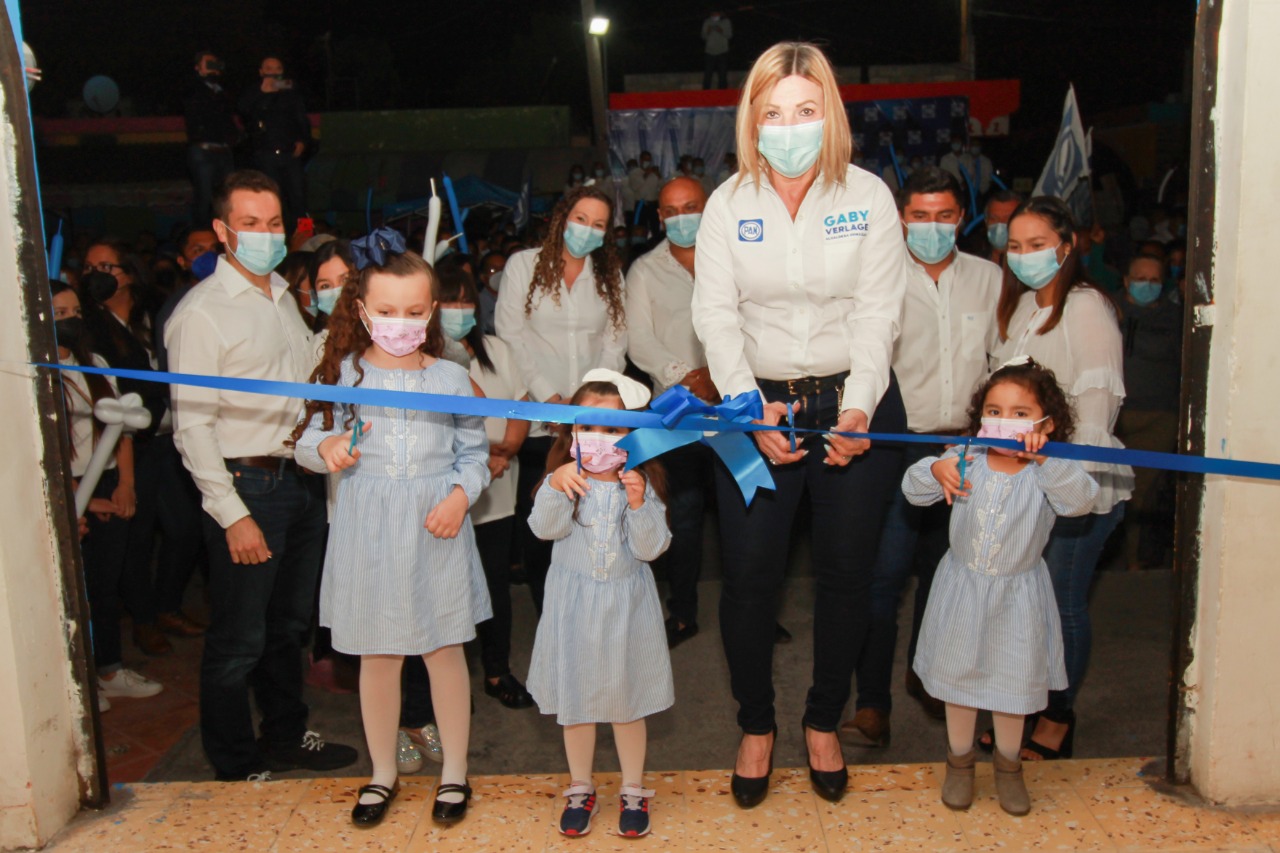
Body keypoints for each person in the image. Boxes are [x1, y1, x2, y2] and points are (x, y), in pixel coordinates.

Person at [691, 41, 909, 807]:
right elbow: (716, 319)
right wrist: (748, 408)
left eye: (806, 111)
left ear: (830, 115)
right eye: (773, 112)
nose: (790, 127)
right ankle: (757, 725)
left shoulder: (871, 197)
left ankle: (822, 719)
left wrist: (858, 407)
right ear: (752, 118)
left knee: (849, 576)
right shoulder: (726, 205)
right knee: (750, 581)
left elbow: (880, 313)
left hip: (856, 403)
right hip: (757, 408)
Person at [166, 170, 357, 781]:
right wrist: (232, 514)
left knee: (288, 630)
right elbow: (191, 426)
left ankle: (284, 734)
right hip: (248, 487)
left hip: (299, 481)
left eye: (274, 224)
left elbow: (304, 379)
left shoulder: (283, 296)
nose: (265, 235)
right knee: (238, 640)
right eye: (250, 224)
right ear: (223, 231)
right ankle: (234, 760)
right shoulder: (203, 314)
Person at [292, 244, 489, 828]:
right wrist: (324, 448)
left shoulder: (453, 377)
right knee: (378, 656)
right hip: (367, 528)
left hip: (436, 525)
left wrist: (459, 496)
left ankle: (454, 770)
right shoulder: (343, 373)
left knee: (443, 649)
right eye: (387, 310)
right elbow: (306, 439)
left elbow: (473, 453)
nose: (400, 323)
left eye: (413, 311)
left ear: (429, 311)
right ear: (362, 308)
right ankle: (383, 772)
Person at [843, 166, 1002, 748]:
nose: (931, 227)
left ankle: (927, 675)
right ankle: (871, 703)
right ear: (900, 219)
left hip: (966, 447)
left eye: (944, 216)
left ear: (963, 218)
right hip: (895, 446)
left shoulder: (990, 280)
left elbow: (1001, 362)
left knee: (946, 574)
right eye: (919, 216)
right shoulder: (876, 279)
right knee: (882, 577)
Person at [908, 358, 1098, 816]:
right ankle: (959, 761)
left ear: (1045, 423)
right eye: (993, 410)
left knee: (1012, 687)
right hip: (962, 592)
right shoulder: (966, 460)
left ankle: (1009, 766)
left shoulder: (1046, 471)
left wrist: (1046, 459)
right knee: (960, 682)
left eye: (1019, 413)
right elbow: (914, 490)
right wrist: (935, 469)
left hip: (1018, 599)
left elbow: (1082, 501)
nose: (1004, 421)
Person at [991, 196, 1134, 761]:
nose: (1025, 257)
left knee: (1062, 601)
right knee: (1028, 602)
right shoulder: (1025, 307)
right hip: (1024, 485)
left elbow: (1096, 417)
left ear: (1068, 245)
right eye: (1016, 247)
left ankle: (1057, 716)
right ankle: (1026, 705)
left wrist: (1061, 482)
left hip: (1077, 487)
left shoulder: (1086, 307)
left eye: (1038, 245)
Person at [526, 372, 673, 838]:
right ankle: (581, 786)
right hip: (573, 608)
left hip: (627, 611)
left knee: (627, 703)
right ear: (572, 433)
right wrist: (554, 483)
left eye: (613, 429)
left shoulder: (642, 485)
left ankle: (632, 788)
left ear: (633, 436)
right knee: (578, 702)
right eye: (590, 427)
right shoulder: (562, 481)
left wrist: (638, 503)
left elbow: (652, 549)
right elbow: (544, 530)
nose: (601, 439)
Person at [495, 185, 627, 613]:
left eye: (599, 224)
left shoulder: (609, 277)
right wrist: (550, 400)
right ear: (561, 218)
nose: (587, 230)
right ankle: (547, 612)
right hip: (540, 422)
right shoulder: (523, 266)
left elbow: (615, 344)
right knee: (542, 519)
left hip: (592, 424)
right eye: (581, 219)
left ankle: (589, 607)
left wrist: (587, 405)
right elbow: (511, 335)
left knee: (592, 519)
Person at [52, 282, 163, 712]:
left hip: (109, 481)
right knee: (73, 588)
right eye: (58, 313)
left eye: (74, 311)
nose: (69, 320)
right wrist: (79, 497)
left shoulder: (95, 364)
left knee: (107, 582)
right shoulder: (36, 374)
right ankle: (79, 679)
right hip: (67, 487)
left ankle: (110, 669)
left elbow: (122, 429)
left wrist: (126, 485)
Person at [435, 263, 534, 709]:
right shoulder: (422, 358)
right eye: (449, 302)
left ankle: (497, 671)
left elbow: (519, 405)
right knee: (443, 589)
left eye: (466, 301)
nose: (459, 311)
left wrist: (505, 451)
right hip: (444, 495)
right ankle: (448, 681)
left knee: (494, 584)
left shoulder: (496, 349)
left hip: (494, 494)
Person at [625, 175, 715, 647]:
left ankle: (757, 605)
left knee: (750, 509)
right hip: (677, 412)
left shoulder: (733, 257)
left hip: (737, 409)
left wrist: (723, 379)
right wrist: (691, 376)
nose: (682, 218)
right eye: (672, 211)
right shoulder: (644, 271)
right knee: (682, 513)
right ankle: (682, 612)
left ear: (709, 205)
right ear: (660, 217)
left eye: (691, 207)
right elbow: (639, 341)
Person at [1116, 254, 1182, 570]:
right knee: (1108, 490)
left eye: (1155, 280)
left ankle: (1135, 562)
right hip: (1116, 418)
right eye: (1140, 278)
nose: (1147, 285)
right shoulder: (1107, 310)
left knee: (1142, 494)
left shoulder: (1177, 319)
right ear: (1127, 281)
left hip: (1159, 417)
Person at [239, 57, 310, 233]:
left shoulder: (289, 92)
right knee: (272, 197)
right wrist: (262, 91)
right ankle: (277, 235)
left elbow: (301, 118)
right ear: (261, 71)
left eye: (278, 68)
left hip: (289, 154)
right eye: (269, 68)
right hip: (265, 154)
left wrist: (302, 140)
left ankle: (304, 235)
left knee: (298, 197)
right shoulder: (253, 93)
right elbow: (244, 113)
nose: (274, 72)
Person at [182, 51, 238, 226]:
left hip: (223, 150)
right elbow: (195, 105)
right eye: (209, 63)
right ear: (198, 67)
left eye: (215, 63)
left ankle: (225, 231)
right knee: (204, 196)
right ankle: (201, 232)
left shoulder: (221, 91)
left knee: (227, 196)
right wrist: (204, 79)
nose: (213, 66)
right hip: (203, 150)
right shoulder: (194, 89)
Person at [984, 190, 1022, 265]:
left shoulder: (1034, 264)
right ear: (986, 221)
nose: (1000, 225)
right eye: (994, 219)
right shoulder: (974, 260)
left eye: (1007, 219)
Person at [476, 250, 506, 335]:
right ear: (483, 277)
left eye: (503, 268)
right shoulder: (479, 302)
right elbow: (489, 327)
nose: (500, 273)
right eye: (493, 270)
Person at [701, 11, 733, 89]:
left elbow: (729, 35)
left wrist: (720, 30)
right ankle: (705, 92)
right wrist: (708, 31)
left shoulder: (726, 22)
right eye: (713, 13)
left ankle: (722, 93)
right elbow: (703, 36)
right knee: (708, 74)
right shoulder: (707, 22)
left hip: (722, 51)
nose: (714, 14)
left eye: (716, 13)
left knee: (722, 74)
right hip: (709, 52)